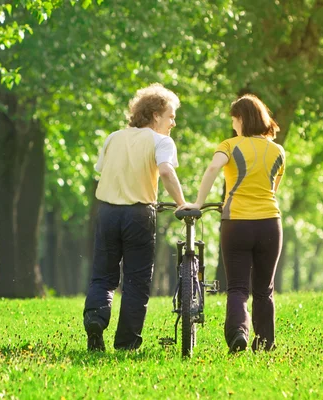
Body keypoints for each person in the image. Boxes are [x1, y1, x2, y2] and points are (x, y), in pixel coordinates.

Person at [83, 83, 187, 351]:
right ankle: (127, 342)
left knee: (103, 276)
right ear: (155, 115)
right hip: (139, 214)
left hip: (106, 212)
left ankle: (95, 318)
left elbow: (104, 171)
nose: (173, 122)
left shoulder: (113, 137)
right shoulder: (161, 141)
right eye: (170, 116)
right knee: (136, 281)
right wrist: (182, 203)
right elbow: (165, 172)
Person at [178, 94, 285, 353]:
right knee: (264, 289)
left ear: (241, 119)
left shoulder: (229, 145)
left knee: (237, 287)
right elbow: (273, 188)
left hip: (236, 223)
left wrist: (199, 202)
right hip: (270, 223)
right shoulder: (278, 151)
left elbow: (213, 169)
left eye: (234, 120)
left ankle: (238, 333)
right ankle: (265, 345)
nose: (233, 125)